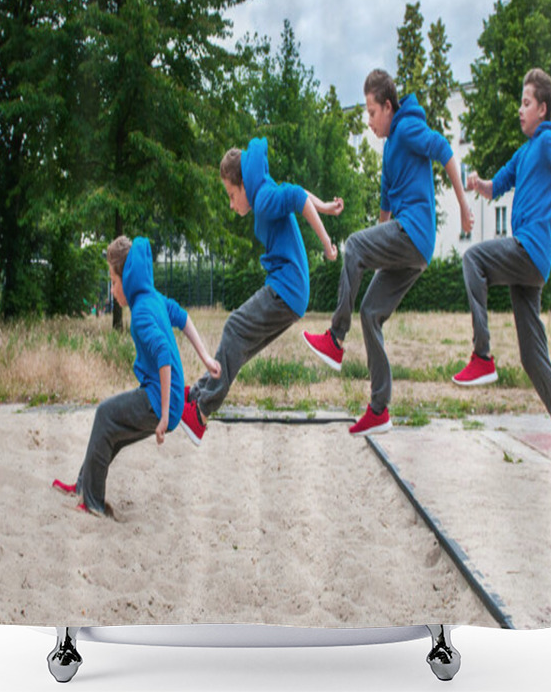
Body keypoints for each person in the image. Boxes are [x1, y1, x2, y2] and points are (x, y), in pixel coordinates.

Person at [303, 69, 474, 436]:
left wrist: (462, 205)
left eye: (371, 111)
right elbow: (384, 208)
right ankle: (379, 409)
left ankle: (335, 339)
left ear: (388, 107)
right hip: (411, 247)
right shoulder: (389, 149)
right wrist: (375, 239)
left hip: (414, 233)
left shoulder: (407, 129)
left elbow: (444, 150)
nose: (369, 121)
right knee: (370, 312)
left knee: (355, 246)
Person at [180, 136, 342, 445]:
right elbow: (298, 193)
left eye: (231, 195)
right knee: (237, 345)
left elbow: (295, 196)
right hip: (289, 292)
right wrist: (325, 207)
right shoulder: (264, 189)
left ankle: (199, 413)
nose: (231, 204)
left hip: (286, 288)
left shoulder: (263, 195)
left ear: (243, 184)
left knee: (234, 328)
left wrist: (325, 242)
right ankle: (199, 394)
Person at [52, 235, 220, 516]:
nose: (112, 288)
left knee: (105, 415)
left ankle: (91, 503)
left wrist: (165, 415)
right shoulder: (153, 298)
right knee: (110, 430)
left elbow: (164, 355)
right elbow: (182, 316)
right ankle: (84, 486)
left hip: (162, 402)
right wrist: (205, 356)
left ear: (127, 279)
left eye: (114, 282)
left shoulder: (141, 312)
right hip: (168, 400)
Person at [453, 68, 551, 473]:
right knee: (533, 358)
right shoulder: (524, 153)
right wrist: (476, 183)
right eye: (520, 102)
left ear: (542, 108)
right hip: (528, 267)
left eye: (525, 103)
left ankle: (482, 355)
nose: (520, 110)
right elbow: (495, 186)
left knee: (474, 259)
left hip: (529, 252)